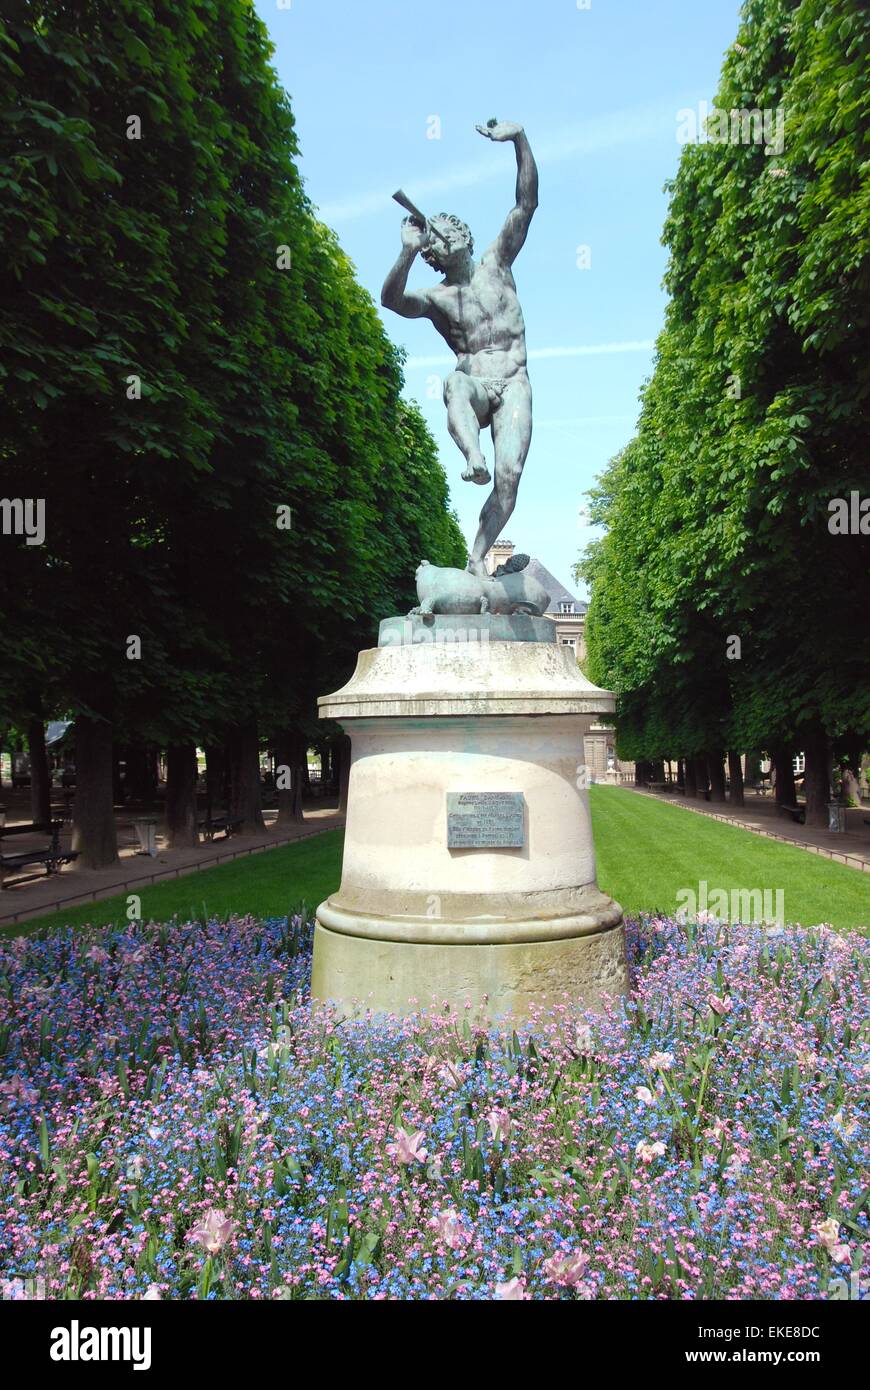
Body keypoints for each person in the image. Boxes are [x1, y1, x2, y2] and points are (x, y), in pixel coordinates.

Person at [381, 121, 538, 577]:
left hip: (513, 384)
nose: (441, 241)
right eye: (434, 243)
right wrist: (407, 252)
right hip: (475, 384)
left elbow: (526, 203)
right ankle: (473, 456)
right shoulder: (438, 298)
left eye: (445, 232)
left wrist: (519, 139)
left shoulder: (498, 262)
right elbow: (391, 300)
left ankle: (476, 561)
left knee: (509, 482)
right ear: (433, 257)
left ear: (465, 236)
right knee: (454, 383)